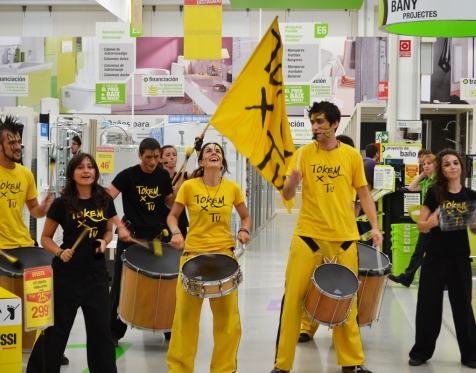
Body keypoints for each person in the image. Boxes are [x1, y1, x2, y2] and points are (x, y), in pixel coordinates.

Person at [271, 101, 383, 373]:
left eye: (321, 122)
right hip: (307, 237)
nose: (315, 127)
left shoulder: (351, 156)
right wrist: (293, 181)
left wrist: (375, 226)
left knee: (347, 301)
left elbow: (364, 194)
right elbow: (286, 195)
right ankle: (282, 365)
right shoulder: (303, 154)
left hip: (343, 239)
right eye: (313, 122)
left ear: (334, 125)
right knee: (293, 301)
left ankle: (352, 363)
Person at [26, 153, 117, 373]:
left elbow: (107, 230)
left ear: (95, 172)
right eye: (80, 168)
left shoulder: (105, 200)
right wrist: (59, 252)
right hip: (66, 276)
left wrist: (104, 242)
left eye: (90, 167)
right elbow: (45, 238)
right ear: (72, 173)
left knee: (101, 333)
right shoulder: (62, 203)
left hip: (96, 276)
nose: (86, 171)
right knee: (56, 332)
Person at [166, 142, 252, 373]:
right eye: (208, 151)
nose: (214, 153)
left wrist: (244, 230)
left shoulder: (232, 188)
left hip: (224, 258)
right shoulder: (189, 186)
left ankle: (224, 369)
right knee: (185, 321)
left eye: (218, 151)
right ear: (202, 162)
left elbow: (245, 217)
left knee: (228, 322)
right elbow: (173, 216)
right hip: (192, 257)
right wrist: (175, 232)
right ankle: (179, 369)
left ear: (222, 161)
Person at [408, 149, 476, 369]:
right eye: (447, 164)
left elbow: (474, 230)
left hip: (459, 257)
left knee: (463, 307)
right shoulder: (435, 193)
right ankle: (421, 352)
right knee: (428, 305)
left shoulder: (471, 195)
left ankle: (470, 354)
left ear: (461, 167)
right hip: (435, 256)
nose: (452, 167)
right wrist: (431, 223)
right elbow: (420, 224)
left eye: (455, 163)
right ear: (442, 170)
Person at [108, 137, 176, 345]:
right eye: (148, 157)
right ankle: (113, 332)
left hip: (155, 237)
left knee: (164, 284)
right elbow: (105, 198)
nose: (153, 161)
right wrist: (119, 226)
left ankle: (168, 328)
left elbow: (168, 201)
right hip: (131, 237)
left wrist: (178, 193)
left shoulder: (163, 175)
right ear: (140, 155)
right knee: (120, 284)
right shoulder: (128, 175)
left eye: (156, 157)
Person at [298, 133, 357, 343]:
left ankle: (341, 329)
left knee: (343, 285)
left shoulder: (351, 170)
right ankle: (307, 327)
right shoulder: (313, 160)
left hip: (343, 236)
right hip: (316, 235)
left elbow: (356, 203)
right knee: (314, 281)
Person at [389, 152, 435, 287]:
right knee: (419, 251)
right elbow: (411, 187)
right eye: (423, 164)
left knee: (436, 253)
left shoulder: (438, 182)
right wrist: (422, 173)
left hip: (435, 222)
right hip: (427, 221)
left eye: (429, 164)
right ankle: (407, 278)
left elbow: (438, 203)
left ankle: (442, 280)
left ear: (436, 165)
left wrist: (429, 223)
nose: (426, 166)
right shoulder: (426, 181)